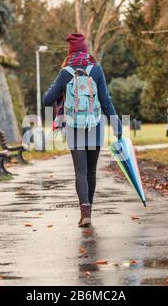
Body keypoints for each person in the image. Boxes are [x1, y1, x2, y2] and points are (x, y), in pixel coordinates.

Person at [43, 33, 122, 227]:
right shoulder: (96, 70)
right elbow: (105, 100)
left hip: (73, 126)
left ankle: (84, 210)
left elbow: (47, 99)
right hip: (95, 125)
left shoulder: (65, 72)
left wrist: (57, 88)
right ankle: (90, 211)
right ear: (86, 50)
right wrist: (116, 124)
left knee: (80, 170)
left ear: (70, 52)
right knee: (91, 172)